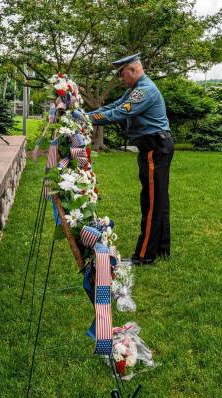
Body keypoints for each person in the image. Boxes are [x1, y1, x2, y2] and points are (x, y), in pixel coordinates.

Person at [88, 53, 174, 265]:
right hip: (154, 146)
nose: (121, 79)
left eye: (122, 74)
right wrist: (87, 114)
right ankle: (161, 248)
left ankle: (145, 255)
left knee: (152, 202)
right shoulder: (134, 90)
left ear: (133, 70)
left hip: (155, 147)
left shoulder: (143, 91)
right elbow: (111, 107)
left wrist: (86, 118)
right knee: (158, 200)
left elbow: (118, 114)